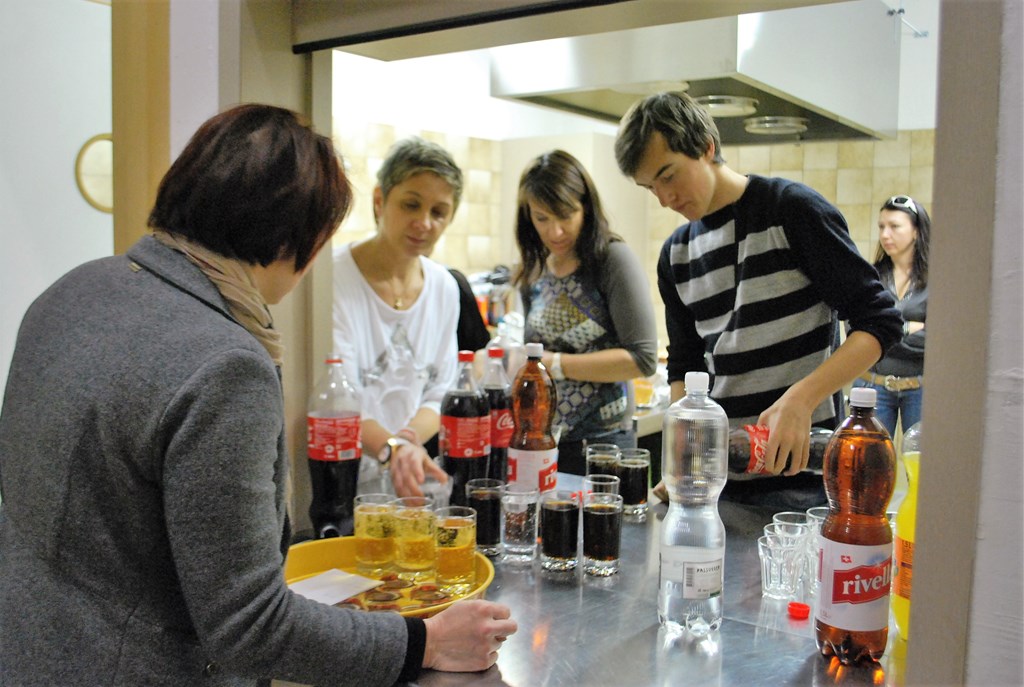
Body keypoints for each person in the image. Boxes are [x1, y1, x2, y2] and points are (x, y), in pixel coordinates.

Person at [0, 105, 516, 686]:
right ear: (296, 238)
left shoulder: (71, 290)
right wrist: (425, 642)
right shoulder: (225, 365)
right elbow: (248, 624)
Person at [614, 92, 903, 507]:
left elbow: (880, 321)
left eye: (669, 176)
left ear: (706, 147)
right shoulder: (675, 255)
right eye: (650, 188)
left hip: (805, 479)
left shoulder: (791, 211)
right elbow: (686, 365)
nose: (665, 198)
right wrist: (681, 461)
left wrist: (803, 398)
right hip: (718, 485)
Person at [332, 137, 464, 497]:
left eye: (439, 212)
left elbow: (440, 390)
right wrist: (393, 449)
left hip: (409, 479)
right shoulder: (332, 278)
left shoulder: (444, 287)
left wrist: (405, 444)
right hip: (340, 481)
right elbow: (338, 400)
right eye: (411, 204)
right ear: (379, 200)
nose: (424, 223)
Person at [513, 149, 659, 474]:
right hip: (543, 442)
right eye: (542, 218)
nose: (555, 231)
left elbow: (643, 358)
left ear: (586, 208)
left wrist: (556, 364)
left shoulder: (612, 260)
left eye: (566, 215)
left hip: (604, 445)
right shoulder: (534, 270)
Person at [852, 195, 930, 437]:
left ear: (916, 231)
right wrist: (909, 328)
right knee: (868, 457)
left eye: (894, 226)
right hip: (872, 386)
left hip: (920, 387)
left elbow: (940, 338)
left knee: (919, 457)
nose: (885, 234)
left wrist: (884, 332)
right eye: (881, 227)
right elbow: (857, 331)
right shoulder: (870, 276)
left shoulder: (937, 279)